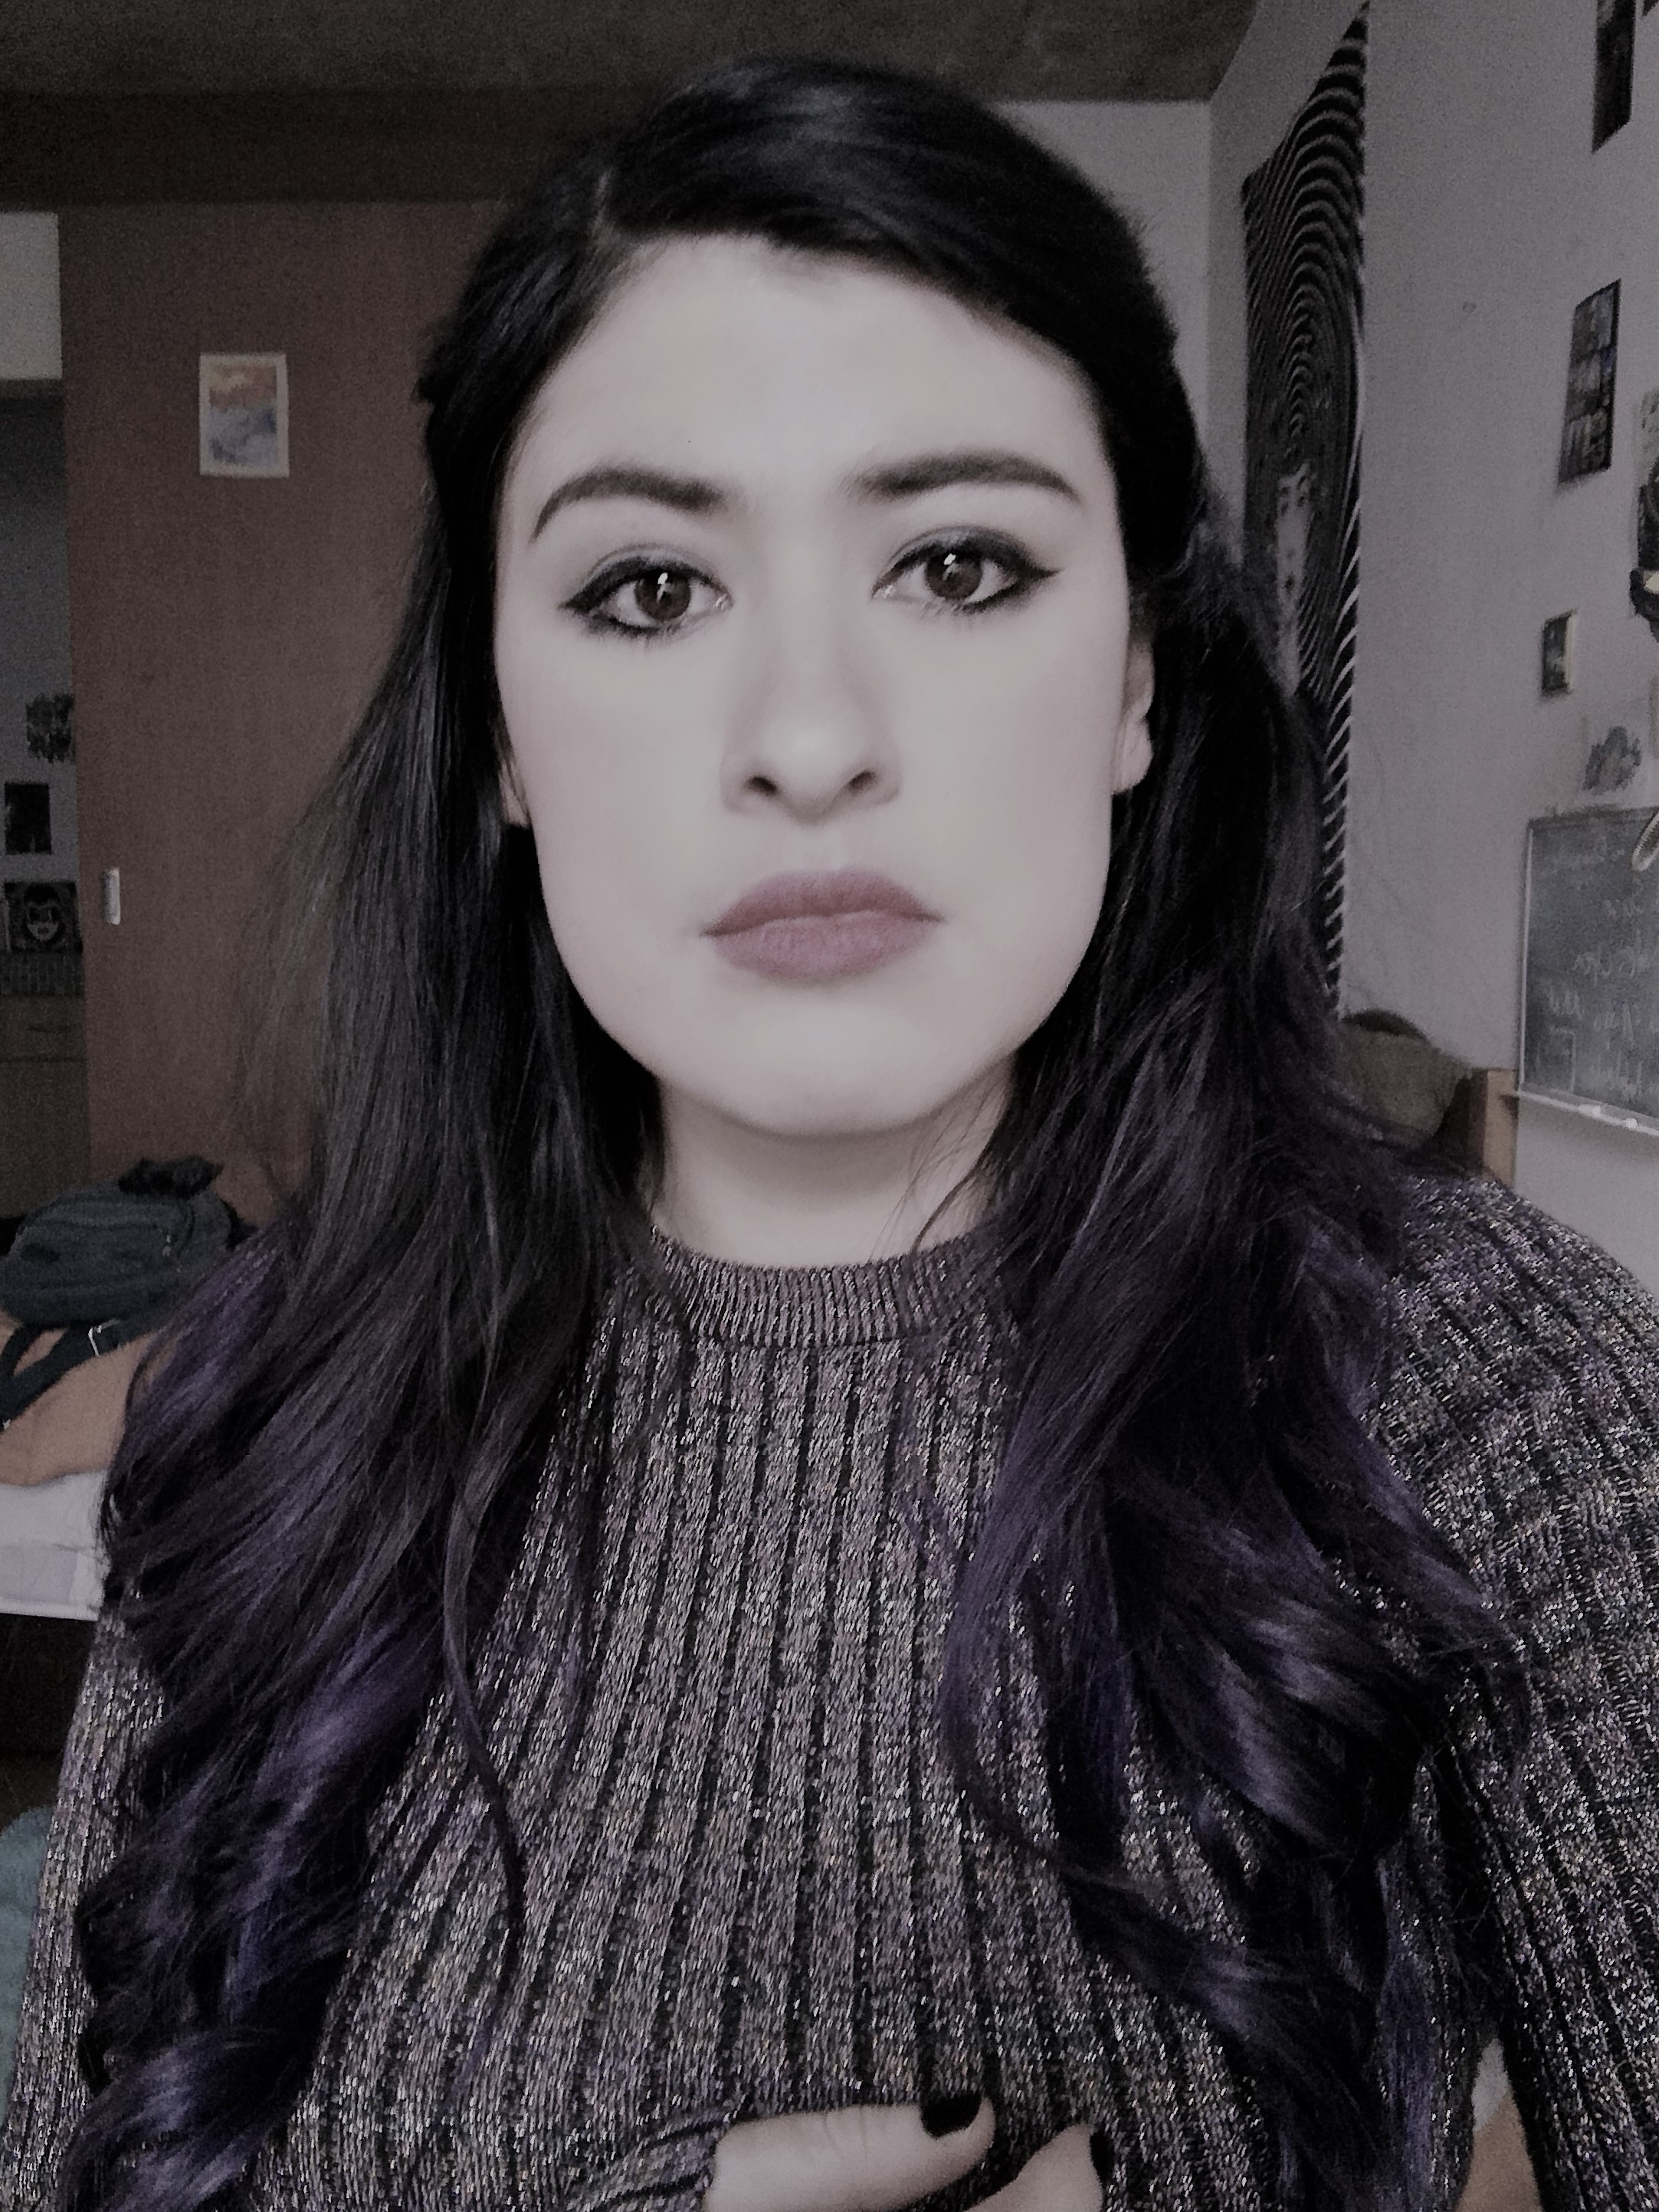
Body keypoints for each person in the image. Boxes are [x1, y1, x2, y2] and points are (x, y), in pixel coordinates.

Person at [5, 56, 1658, 2212]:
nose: (806, 738)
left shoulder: (1498, 1395)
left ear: (1138, 681)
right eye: (648, 590)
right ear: (501, 735)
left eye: (960, 564)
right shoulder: (258, 1432)